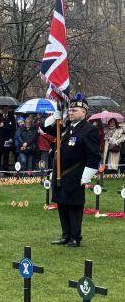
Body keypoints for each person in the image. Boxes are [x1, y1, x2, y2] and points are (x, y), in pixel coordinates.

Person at [46, 97, 100, 247]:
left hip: (76, 173)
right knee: (62, 204)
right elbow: (46, 130)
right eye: (69, 110)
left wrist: (87, 175)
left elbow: (94, 155)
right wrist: (55, 116)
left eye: (74, 110)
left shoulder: (90, 130)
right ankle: (66, 234)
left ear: (84, 112)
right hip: (60, 173)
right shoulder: (67, 126)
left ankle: (75, 236)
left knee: (74, 206)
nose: (70, 112)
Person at [0, 106, 16, 171]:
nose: (5, 110)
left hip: (7, 139)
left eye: (7, 109)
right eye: (4, 109)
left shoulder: (11, 117)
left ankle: (6, 171)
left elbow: (13, 129)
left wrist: (11, 138)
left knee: (6, 156)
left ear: (8, 109)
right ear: (2, 109)